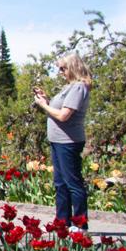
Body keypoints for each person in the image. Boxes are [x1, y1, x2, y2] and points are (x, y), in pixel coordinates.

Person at [33, 52, 93, 227]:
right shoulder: (70, 87)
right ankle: (62, 221)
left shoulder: (79, 87)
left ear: (73, 67)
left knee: (73, 183)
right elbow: (59, 109)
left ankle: (80, 224)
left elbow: (64, 115)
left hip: (69, 141)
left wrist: (43, 105)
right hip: (58, 141)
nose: (60, 72)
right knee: (60, 183)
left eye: (63, 68)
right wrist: (47, 100)